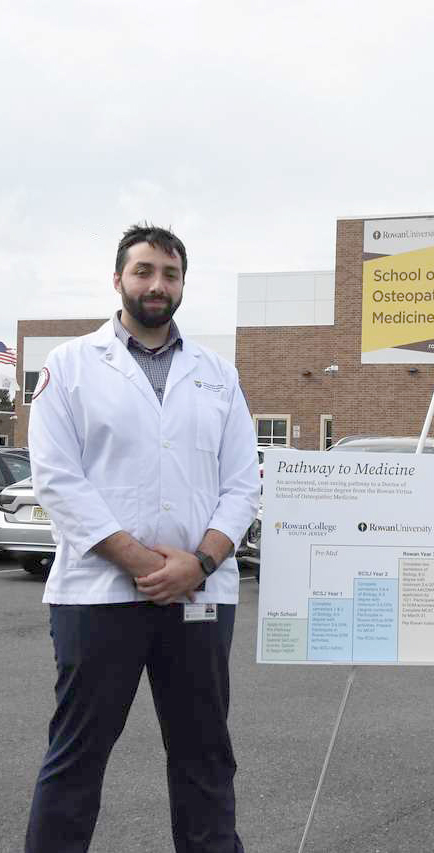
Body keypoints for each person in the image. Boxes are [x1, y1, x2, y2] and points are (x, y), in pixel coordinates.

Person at [25, 224, 260, 853]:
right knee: (77, 758)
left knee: (205, 756)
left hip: (198, 598)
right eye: (145, 271)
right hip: (99, 594)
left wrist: (201, 562)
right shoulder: (70, 366)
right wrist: (139, 561)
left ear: (183, 284)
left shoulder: (217, 374)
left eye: (171, 274)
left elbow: (242, 483)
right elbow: (56, 478)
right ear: (119, 280)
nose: (158, 284)